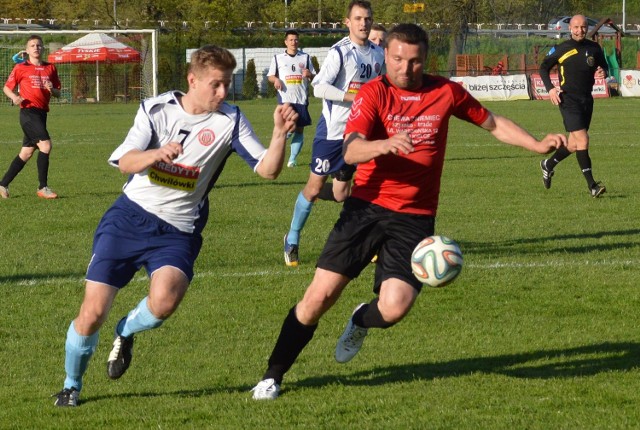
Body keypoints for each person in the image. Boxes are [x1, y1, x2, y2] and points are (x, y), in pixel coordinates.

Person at [251, 23, 566, 400]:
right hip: (365, 209)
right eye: (398, 59)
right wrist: (383, 145)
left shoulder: (446, 92)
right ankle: (273, 375)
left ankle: (360, 319)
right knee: (318, 298)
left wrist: (535, 144)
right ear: (387, 56)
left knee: (395, 308)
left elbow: (493, 123)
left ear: (425, 60)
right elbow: (351, 150)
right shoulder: (373, 93)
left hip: (414, 218)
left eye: (414, 61)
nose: (405, 68)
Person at [52, 45, 298, 407]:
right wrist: (155, 154)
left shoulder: (230, 120)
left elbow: (268, 169)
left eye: (227, 84)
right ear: (192, 80)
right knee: (90, 315)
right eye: (216, 85)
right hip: (129, 218)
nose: (223, 92)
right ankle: (72, 385)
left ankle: (126, 330)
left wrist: (279, 135)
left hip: (179, 229)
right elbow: (125, 160)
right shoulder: (156, 109)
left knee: (164, 302)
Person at [283, 0, 385, 267]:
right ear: (348, 22)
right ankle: (292, 237)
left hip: (359, 134)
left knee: (342, 194)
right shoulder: (340, 53)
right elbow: (319, 87)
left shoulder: (377, 54)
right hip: (332, 133)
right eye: (359, 18)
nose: (364, 23)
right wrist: (352, 96)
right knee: (315, 188)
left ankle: (369, 240)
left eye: (368, 19)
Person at [539, 14, 608, 198]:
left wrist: (603, 71)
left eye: (583, 27)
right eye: (576, 27)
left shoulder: (594, 48)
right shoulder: (561, 48)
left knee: (573, 144)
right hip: (568, 100)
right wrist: (550, 89)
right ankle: (592, 186)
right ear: (570, 29)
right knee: (583, 141)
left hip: (587, 100)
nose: (580, 31)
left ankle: (548, 165)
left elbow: (604, 67)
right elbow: (543, 68)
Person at [1, 35, 61, 199]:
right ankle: (43, 187)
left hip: (41, 114)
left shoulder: (50, 68)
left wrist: (52, 90)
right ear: (27, 50)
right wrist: (14, 97)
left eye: (39, 45)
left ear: (43, 48)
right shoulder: (21, 67)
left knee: (26, 153)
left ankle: (3, 184)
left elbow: (58, 92)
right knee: (46, 145)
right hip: (28, 113)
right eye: (32, 45)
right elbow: (7, 87)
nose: (36, 47)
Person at [267, 29, 317, 168]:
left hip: (301, 98)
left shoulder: (305, 57)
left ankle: (292, 160)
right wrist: (276, 80)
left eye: (296, 40)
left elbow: (314, 75)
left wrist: (310, 74)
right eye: (290, 40)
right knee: (289, 127)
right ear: (285, 42)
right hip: (285, 99)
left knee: (299, 129)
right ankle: (275, 148)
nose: (293, 42)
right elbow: (270, 76)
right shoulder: (278, 58)